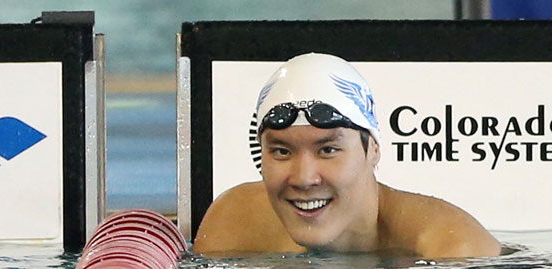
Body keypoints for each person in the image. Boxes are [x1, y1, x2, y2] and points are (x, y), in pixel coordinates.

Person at [193, 53, 501, 258]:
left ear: (373, 150)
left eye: (328, 150)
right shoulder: (235, 224)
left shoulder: (450, 251)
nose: (304, 178)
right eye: (282, 151)